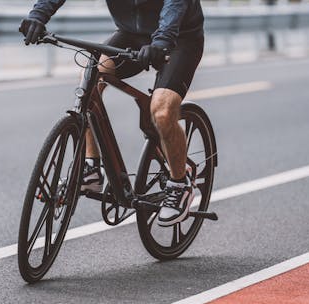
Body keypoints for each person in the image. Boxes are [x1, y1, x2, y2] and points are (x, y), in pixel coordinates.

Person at [19, 0, 205, 226]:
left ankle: (179, 184)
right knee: (90, 79)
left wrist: (162, 41)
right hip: (132, 35)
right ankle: (91, 168)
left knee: (162, 111)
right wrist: (38, 16)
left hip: (179, 39)